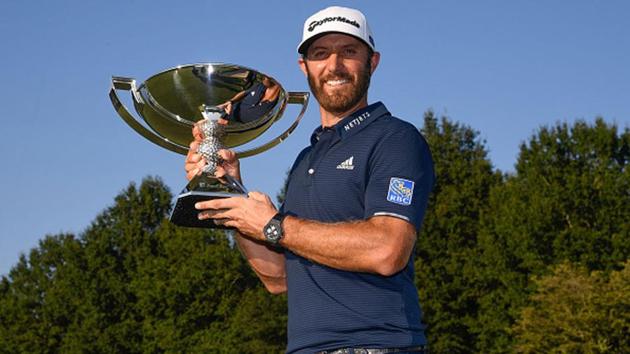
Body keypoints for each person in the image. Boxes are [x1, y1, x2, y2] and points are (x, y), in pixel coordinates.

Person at [185, 6, 434, 354]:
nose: (334, 66)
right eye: (320, 54)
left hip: (376, 345)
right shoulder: (306, 160)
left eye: (349, 52)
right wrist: (233, 195)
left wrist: (274, 224)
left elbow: (387, 249)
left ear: (372, 62)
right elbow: (278, 278)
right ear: (304, 67)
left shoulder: (395, 139)